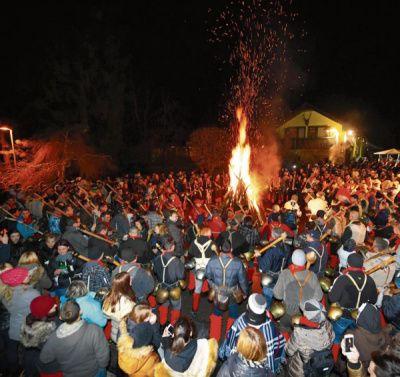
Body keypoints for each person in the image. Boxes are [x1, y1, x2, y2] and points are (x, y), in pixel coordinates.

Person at [40, 301, 110, 377]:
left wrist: (65, 363)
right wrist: (102, 366)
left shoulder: (53, 338)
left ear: (61, 317)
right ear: (80, 312)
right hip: (94, 371)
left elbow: (44, 358)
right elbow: (104, 356)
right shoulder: (94, 330)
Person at [220, 293, 285, 374]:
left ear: (248, 307)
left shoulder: (241, 320)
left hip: (238, 362)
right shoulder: (269, 327)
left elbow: (230, 340)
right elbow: (270, 354)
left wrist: (227, 355)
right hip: (259, 368)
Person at [206, 239, 249, 342]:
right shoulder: (238, 263)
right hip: (233, 294)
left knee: (216, 314)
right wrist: (245, 292)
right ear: (231, 249)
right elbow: (243, 280)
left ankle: (214, 338)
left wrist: (214, 286)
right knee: (233, 315)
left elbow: (208, 276)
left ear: (220, 248)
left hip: (218, 293)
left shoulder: (212, 260)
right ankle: (229, 338)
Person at [0, 266, 40, 376]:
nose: (29, 275)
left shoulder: (5, 292)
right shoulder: (32, 293)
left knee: (12, 351)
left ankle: (13, 371)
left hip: (14, 327)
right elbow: (39, 311)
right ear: (19, 280)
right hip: (28, 327)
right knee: (30, 352)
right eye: (26, 275)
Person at [273, 249, 323, 330]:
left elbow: (277, 295)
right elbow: (319, 297)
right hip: (305, 316)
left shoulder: (285, 273)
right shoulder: (312, 275)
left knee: (284, 331)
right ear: (305, 261)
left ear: (292, 259)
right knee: (300, 337)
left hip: (287, 313)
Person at [285, 299, 335, 377]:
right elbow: (331, 342)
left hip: (301, 369)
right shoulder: (328, 325)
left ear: (307, 316)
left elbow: (289, 351)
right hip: (320, 364)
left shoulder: (300, 332)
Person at [344, 303, 391, 371]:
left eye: (359, 313)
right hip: (372, 368)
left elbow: (347, 356)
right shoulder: (385, 334)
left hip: (357, 369)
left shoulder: (350, 335)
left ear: (362, 319)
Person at [20, 295, 59, 377]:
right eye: (52, 306)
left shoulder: (30, 321)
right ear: (45, 313)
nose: (55, 305)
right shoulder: (52, 330)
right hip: (51, 368)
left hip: (34, 364)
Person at [117, 304, 161, 376]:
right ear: (144, 319)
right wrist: (154, 324)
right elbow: (156, 344)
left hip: (127, 367)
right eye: (150, 314)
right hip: (144, 366)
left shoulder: (123, 327)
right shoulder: (143, 332)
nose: (152, 315)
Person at [153, 237, 185, 325]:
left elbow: (155, 271)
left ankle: (162, 323)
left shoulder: (157, 259)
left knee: (163, 305)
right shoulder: (176, 261)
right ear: (173, 247)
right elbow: (181, 276)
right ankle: (173, 325)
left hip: (162, 287)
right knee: (176, 307)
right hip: (173, 288)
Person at [187, 226, 217, 315]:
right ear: (208, 234)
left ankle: (194, 310)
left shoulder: (194, 242)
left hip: (198, 269)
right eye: (210, 233)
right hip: (209, 269)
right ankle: (216, 309)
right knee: (214, 287)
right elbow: (215, 257)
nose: (211, 235)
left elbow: (190, 254)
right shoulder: (212, 243)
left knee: (197, 290)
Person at [102, 271, 135, 342]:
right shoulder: (128, 304)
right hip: (122, 335)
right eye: (130, 279)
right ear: (125, 284)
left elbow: (105, 314)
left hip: (113, 329)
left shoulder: (108, 296)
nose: (131, 279)